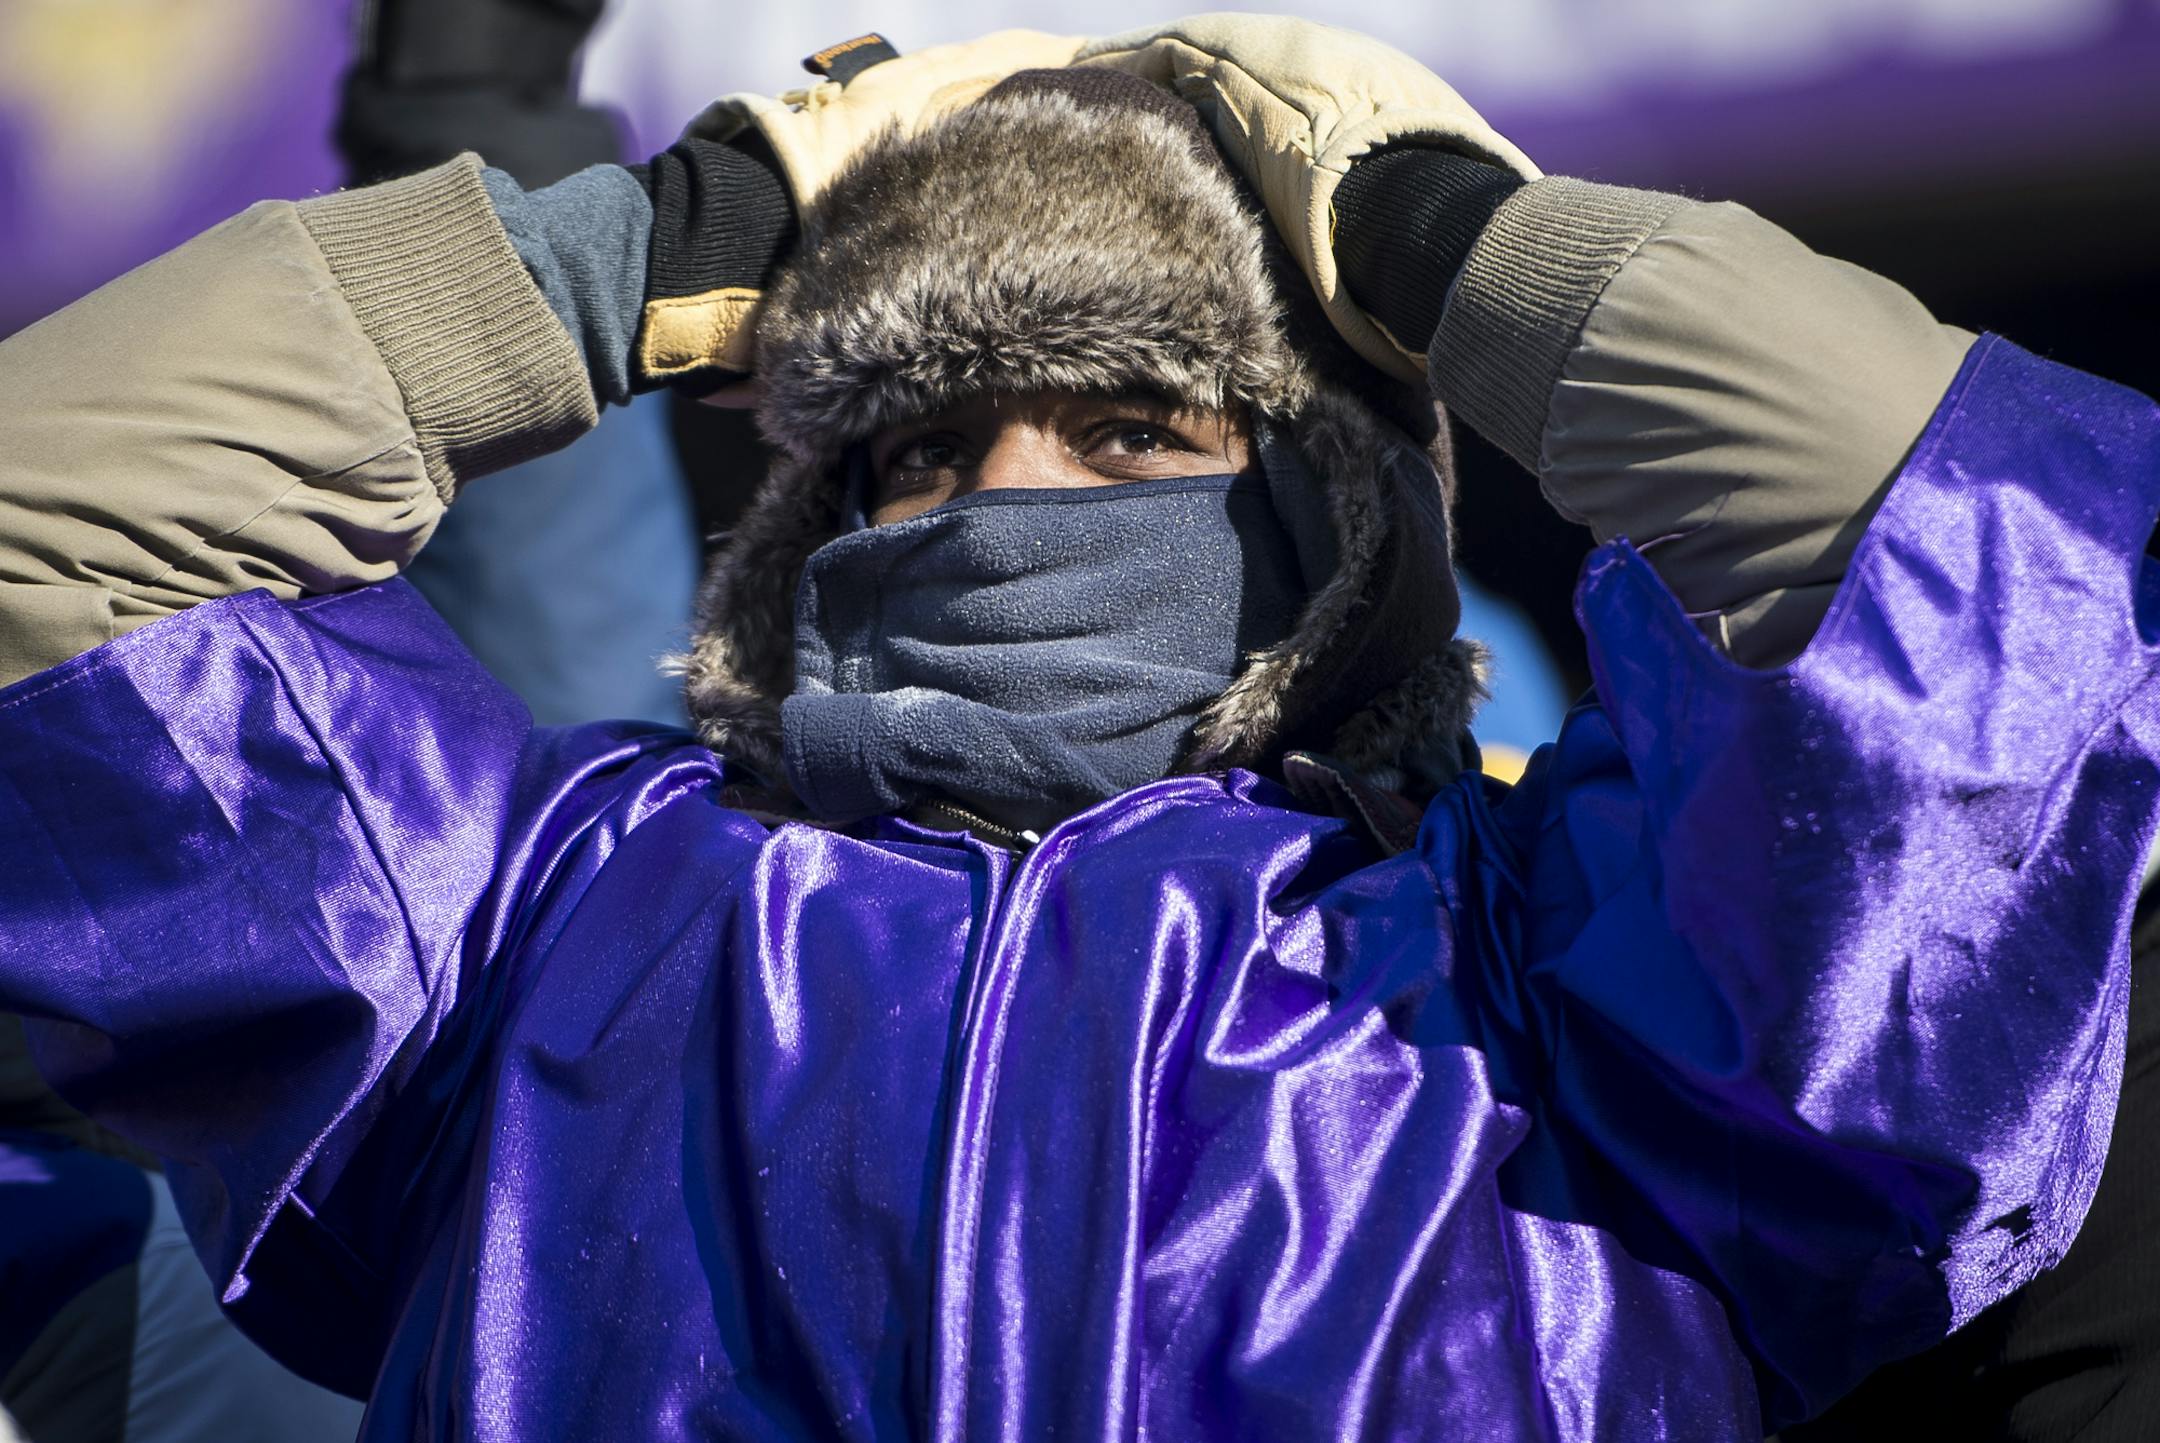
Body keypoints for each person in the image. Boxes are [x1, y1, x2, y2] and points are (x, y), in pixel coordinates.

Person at [0, 17, 2154, 1441]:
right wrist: (653, 243)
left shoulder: (1571, 975)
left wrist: (1437, 229)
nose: (1017, 497)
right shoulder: (546, 928)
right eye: (922, 444)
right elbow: (43, 528)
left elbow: (1985, 532)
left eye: (1136, 424)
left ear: (1324, 517)